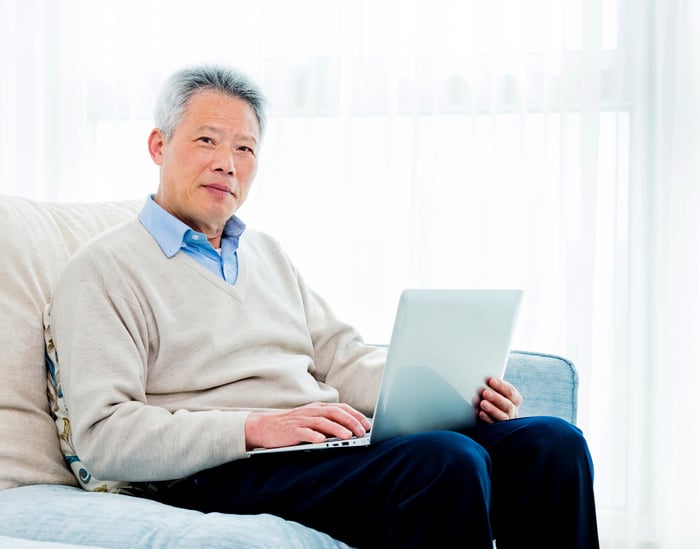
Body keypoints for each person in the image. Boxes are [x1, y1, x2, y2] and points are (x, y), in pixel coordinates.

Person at [46, 64, 599, 548]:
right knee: (445, 461)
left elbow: (343, 359)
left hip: (315, 450)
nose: (228, 163)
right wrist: (257, 427)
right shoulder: (104, 268)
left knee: (552, 444)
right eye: (206, 141)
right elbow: (105, 436)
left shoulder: (266, 253)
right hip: (218, 470)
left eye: (245, 148)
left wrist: (459, 392)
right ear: (158, 146)